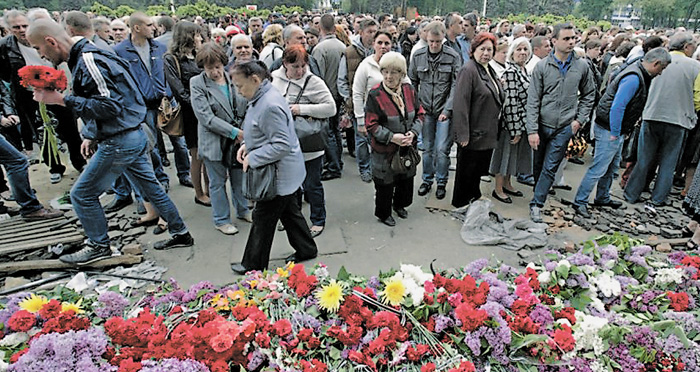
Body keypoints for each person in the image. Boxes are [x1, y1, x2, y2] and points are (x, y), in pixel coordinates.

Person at [27, 19, 193, 264]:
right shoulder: (93, 54)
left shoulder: (88, 59)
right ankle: (180, 233)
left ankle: (98, 245)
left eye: (39, 48)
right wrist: (92, 133)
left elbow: (110, 105)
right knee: (151, 188)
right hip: (130, 133)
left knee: (81, 194)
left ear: (51, 41)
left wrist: (62, 101)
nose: (40, 55)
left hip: (121, 138)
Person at [230, 61, 318, 274]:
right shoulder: (263, 96)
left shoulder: (268, 104)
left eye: (240, 86)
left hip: (277, 174)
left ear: (255, 80)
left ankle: (253, 264)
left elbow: (281, 144)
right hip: (281, 171)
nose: (238, 91)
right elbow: (258, 129)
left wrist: (254, 156)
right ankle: (306, 249)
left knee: (262, 218)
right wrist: (246, 146)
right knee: (290, 213)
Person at [572, 48, 671, 217]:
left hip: (613, 127)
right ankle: (580, 201)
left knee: (610, 168)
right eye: (661, 69)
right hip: (610, 128)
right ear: (655, 64)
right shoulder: (634, 77)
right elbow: (618, 106)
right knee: (599, 168)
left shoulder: (636, 72)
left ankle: (602, 197)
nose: (661, 73)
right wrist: (616, 132)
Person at [0, 10, 86, 184]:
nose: (22, 30)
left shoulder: (46, 39)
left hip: (58, 88)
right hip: (30, 95)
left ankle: (79, 162)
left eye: (25, 25)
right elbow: (5, 73)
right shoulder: (6, 46)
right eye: (17, 27)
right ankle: (54, 166)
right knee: (42, 130)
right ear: (9, 29)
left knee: (69, 127)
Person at [526, 23, 596, 223]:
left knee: (551, 166)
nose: (571, 42)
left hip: (564, 126)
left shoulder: (581, 66)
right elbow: (533, 100)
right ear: (554, 41)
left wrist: (579, 120)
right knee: (538, 165)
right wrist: (532, 130)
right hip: (541, 124)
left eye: (573, 38)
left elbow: (589, 94)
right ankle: (538, 192)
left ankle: (537, 204)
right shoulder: (542, 66)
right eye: (566, 39)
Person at [623, 33, 700, 210]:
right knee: (668, 162)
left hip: (651, 115)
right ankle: (658, 198)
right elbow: (698, 97)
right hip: (679, 120)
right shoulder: (695, 67)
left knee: (644, 158)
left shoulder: (657, 60)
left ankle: (632, 193)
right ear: (687, 46)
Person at [271, 45, 336, 237]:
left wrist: (301, 109)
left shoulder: (313, 82)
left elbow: (330, 108)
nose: (300, 71)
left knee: (312, 184)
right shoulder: (275, 79)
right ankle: (293, 218)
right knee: (290, 186)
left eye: (303, 66)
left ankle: (318, 220)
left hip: (309, 144)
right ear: (285, 64)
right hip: (285, 144)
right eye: (295, 67)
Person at [190, 43, 250, 235]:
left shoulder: (233, 77)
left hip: (237, 139)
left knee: (239, 178)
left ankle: (243, 210)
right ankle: (221, 219)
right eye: (210, 68)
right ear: (202, 67)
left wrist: (244, 129)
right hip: (214, 140)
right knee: (217, 182)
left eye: (218, 67)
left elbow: (246, 103)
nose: (215, 72)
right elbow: (206, 117)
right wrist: (234, 132)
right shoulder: (197, 83)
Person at [365, 52, 424, 226]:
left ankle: (400, 205)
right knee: (385, 183)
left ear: (402, 74)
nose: (389, 76)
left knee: (405, 179)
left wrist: (413, 133)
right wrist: (392, 137)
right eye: (385, 72)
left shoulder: (409, 90)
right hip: (385, 150)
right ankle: (384, 214)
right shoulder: (375, 94)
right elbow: (371, 125)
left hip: (407, 148)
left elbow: (420, 114)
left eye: (394, 72)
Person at [409, 21, 461, 200]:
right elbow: (412, 81)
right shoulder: (418, 56)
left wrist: (448, 108)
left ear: (443, 39)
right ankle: (426, 179)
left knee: (442, 149)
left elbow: (456, 85)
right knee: (428, 148)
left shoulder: (453, 56)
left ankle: (441, 182)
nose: (434, 45)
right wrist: (417, 106)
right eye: (431, 41)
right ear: (426, 38)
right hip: (425, 108)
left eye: (438, 42)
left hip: (443, 109)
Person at [451, 32, 504, 208]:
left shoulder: (489, 69)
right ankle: (461, 202)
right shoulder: (468, 70)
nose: (486, 53)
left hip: (486, 131)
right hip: (472, 133)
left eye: (490, 49)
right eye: (482, 49)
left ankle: (474, 195)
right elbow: (460, 104)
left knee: (476, 171)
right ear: (473, 50)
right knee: (466, 171)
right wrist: (462, 134)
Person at [165, 21, 210, 208]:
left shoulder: (199, 55)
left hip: (208, 110)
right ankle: (199, 193)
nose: (199, 37)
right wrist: (198, 105)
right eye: (196, 34)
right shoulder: (172, 58)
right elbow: (178, 90)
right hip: (191, 113)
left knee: (210, 153)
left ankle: (210, 189)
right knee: (197, 153)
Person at [489, 37, 533, 204]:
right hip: (510, 124)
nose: (522, 52)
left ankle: (508, 184)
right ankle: (498, 189)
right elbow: (510, 102)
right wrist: (514, 129)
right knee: (504, 156)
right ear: (512, 53)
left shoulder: (524, 70)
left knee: (513, 156)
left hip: (521, 123)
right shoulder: (511, 72)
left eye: (525, 49)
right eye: (518, 49)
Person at [338, 18, 378, 183]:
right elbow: (341, 79)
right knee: (361, 138)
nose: (373, 36)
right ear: (360, 32)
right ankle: (364, 169)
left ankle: (377, 167)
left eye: (375, 31)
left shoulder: (382, 51)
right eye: (369, 32)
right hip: (358, 103)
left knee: (376, 138)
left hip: (378, 104)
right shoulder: (349, 52)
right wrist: (349, 99)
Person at [313, 14, 347, 181]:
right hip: (338, 93)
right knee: (335, 130)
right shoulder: (342, 46)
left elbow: (317, 75)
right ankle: (338, 161)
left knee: (329, 133)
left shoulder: (320, 49)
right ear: (334, 28)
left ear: (320, 29)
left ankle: (334, 165)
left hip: (326, 95)